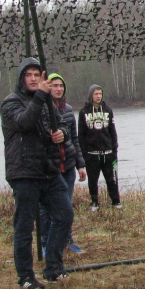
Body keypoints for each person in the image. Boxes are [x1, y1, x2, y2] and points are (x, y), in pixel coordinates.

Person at [1, 57, 75, 289]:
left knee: (64, 215)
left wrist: (61, 134)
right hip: (24, 173)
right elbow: (25, 122)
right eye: (29, 75)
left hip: (48, 171)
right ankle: (25, 276)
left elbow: (62, 123)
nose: (33, 79)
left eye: (36, 75)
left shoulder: (46, 102)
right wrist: (42, 96)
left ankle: (53, 266)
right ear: (22, 78)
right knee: (24, 225)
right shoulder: (11, 103)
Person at [40, 73, 87, 255]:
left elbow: (75, 139)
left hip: (67, 165)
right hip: (50, 167)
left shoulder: (68, 110)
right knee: (46, 208)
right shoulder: (42, 109)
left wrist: (80, 164)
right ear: (47, 87)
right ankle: (46, 243)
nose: (58, 89)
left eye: (61, 86)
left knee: (66, 206)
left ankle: (68, 241)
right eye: (54, 85)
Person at [78, 84, 121, 211]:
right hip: (92, 154)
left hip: (108, 153)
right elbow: (81, 135)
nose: (98, 96)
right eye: (96, 94)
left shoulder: (108, 110)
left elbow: (112, 131)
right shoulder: (83, 112)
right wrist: (84, 154)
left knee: (112, 179)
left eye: (100, 94)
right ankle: (94, 202)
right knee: (93, 180)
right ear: (91, 95)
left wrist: (114, 150)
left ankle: (116, 201)